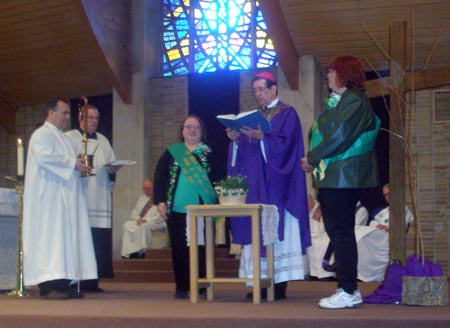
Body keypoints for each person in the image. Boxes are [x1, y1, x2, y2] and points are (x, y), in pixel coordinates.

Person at [301, 56, 380, 309]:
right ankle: (348, 288)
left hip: (343, 178)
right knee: (338, 233)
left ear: (345, 73)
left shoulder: (354, 100)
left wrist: (313, 158)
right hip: (336, 178)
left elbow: (341, 136)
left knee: (341, 234)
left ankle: (348, 289)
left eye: (332, 71)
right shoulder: (343, 101)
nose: (328, 76)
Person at [226, 71, 310, 300]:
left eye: (262, 89)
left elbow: (289, 148)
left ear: (274, 89)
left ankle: (278, 284)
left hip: (278, 187)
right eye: (255, 90)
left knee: (275, 231)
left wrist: (265, 138)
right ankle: (257, 283)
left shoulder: (287, 114)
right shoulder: (252, 117)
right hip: (255, 187)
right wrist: (235, 141)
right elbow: (242, 156)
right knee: (255, 230)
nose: (258, 94)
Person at [23, 98, 97, 300]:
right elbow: (46, 157)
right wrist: (72, 164)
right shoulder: (41, 135)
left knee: (65, 240)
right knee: (51, 240)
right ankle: (49, 285)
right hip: (49, 199)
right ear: (50, 113)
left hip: (65, 199)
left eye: (67, 114)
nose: (67, 117)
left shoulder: (64, 138)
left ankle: (64, 283)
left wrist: (81, 166)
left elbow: (71, 164)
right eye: (64, 113)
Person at [153, 115, 217, 299]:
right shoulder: (172, 152)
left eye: (196, 126)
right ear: (182, 131)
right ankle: (182, 287)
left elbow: (218, 177)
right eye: (188, 126)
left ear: (201, 130)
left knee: (202, 249)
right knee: (179, 249)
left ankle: (203, 286)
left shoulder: (210, 153)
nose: (192, 130)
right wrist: (160, 201)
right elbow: (160, 178)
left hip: (203, 210)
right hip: (177, 210)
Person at [66, 103, 120, 292]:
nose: (93, 122)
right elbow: (65, 164)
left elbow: (110, 163)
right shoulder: (70, 138)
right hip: (79, 195)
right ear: (80, 118)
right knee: (78, 236)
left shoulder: (103, 140)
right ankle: (75, 280)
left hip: (99, 195)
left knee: (97, 238)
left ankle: (92, 281)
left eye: (96, 118)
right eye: (89, 118)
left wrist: (113, 170)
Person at [121, 179, 166, 259]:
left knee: (144, 226)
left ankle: (143, 252)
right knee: (127, 225)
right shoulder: (142, 198)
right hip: (142, 221)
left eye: (148, 189)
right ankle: (129, 252)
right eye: (144, 189)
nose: (145, 191)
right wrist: (138, 219)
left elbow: (160, 215)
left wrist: (146, 220)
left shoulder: (160, 197)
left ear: (154, 187)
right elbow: (135, 211)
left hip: (157, 222)